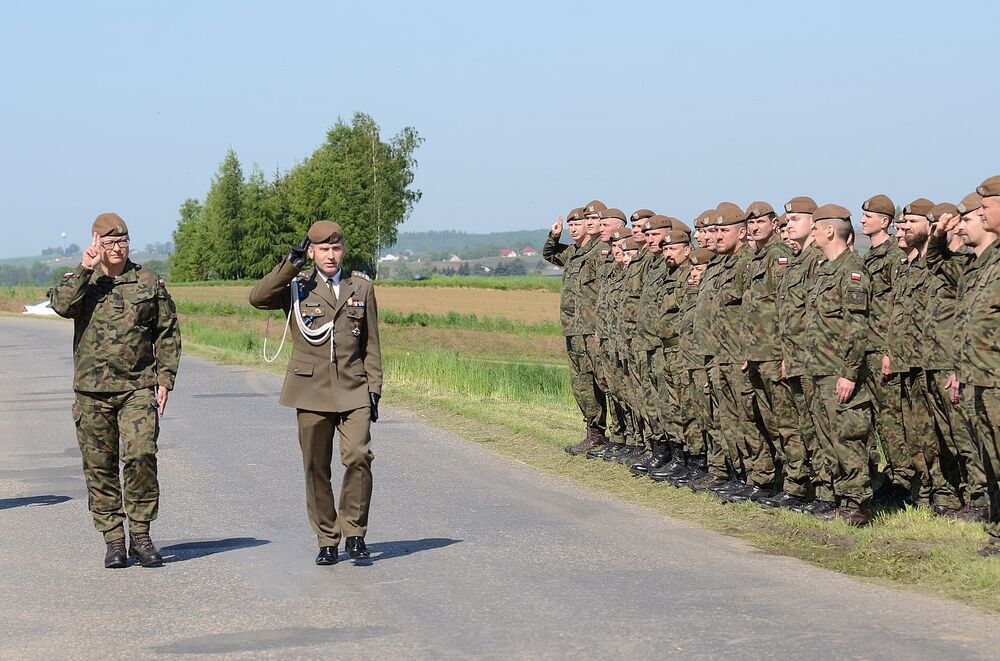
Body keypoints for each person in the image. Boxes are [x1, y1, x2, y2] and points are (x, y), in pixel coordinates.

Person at [49, 213, 181, 568]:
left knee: (141, 455)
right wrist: (84, 268)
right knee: (100, 467)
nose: (118, 248)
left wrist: (165, 378)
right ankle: (114, 540)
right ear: (96, 243)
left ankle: (140, 534)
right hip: (92, 392)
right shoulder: (83, 281)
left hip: (137, 387)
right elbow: (61, 306)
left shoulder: (147, 280)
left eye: (122, 241)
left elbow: (167, 330)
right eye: (109, 243)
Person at [249, 220, 382, 566]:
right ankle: (327, 538)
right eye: (323, 249)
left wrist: (374, 388)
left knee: (358, 456)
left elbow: (371, 344)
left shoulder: (361, 287)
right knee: (315, 466)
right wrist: (289, 265)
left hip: (353, 387)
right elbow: (257, 298)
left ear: (343, 250)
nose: (330, 255)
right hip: (310, 389)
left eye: (336, 248)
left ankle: (355, 533)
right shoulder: (297, 286)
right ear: (311, 252)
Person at [803, 204, 874, 526]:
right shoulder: (825, 270)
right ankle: (838, 499)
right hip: (819, 368)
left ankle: (857, 505)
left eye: (816, 228)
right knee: (829, 438)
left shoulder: (851, 271)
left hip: (839, 371)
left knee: (848, 437)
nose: (813, 233)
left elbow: (857, 328)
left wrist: (849, 373)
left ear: (829, 231)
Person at [544, 207, 607, 454]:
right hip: (574, 328)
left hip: (593, 329)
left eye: (577, 224)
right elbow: (549, 254)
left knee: (602, 380)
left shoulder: (600, 251)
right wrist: (554, 235)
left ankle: (620, 437)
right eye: (570, 225)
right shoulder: (572, 252)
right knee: (581, 382)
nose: (573, 228)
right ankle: (595, 433)